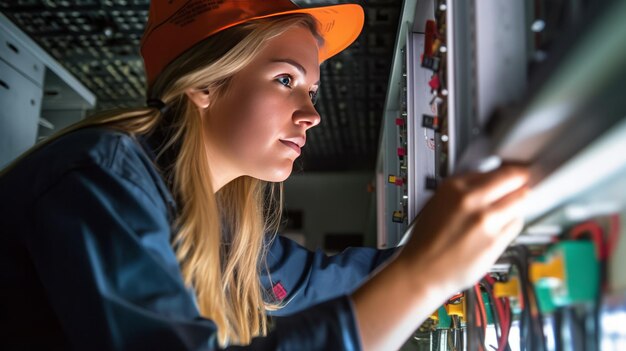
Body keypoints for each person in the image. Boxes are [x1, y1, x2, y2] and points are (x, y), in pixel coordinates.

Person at [0, 1, 529, 350]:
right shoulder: (100, 179)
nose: (312, 114)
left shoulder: (220, 215)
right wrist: (425, 277)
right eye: (285, 79)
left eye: (312, 91)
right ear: (204, 84)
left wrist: (465, 248)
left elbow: (321, 283)